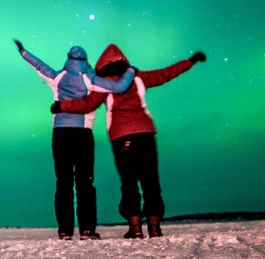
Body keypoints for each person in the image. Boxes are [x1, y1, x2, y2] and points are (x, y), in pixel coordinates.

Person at [52, 44, 206, 238]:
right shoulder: (138, 77)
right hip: (145, 132)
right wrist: (190, 61)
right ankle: (154, 227)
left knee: (129, 181)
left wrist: (62, 106)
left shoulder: (103, 84)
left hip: (121, 135)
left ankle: (135, 228)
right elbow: (166, 74)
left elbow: (87, 104)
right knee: (150, 179)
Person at [15, 39, 136, 240]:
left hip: (60, 134)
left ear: (68, 59)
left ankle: (65, 231)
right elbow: (120, 87)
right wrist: (131, 71)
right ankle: (87, 230)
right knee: (85, 182)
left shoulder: (58, 77)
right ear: (85, 61)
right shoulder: (91, 79)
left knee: (63, 182)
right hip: (82, 134)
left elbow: (39, 65)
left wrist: (23, 52)